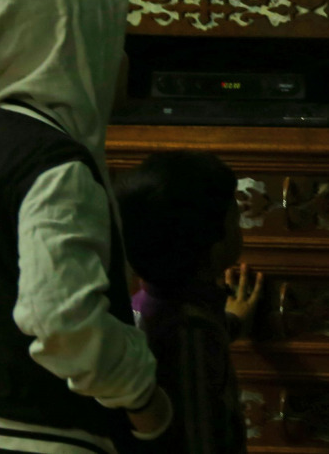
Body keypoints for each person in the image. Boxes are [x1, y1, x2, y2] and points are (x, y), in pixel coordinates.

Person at [0, 0, 173, 453]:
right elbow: (60, 321)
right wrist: (143, 397)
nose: (122, 60)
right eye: (111, 38)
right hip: (46, 436)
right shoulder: (55, 164)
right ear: (66, 44)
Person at [116, 151, 264, 454]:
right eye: (235, 220)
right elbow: (200, 435)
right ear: (216, 243)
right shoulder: (191, 335)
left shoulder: (141, 304)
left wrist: (232, 322)